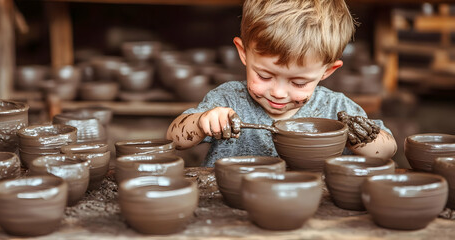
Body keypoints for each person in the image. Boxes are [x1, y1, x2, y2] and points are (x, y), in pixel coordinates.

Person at [166, 0, 397, 167]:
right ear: (243, 53)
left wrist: (361, 138)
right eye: (265, 76)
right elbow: (174, 138)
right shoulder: (227, 100)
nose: (278, 93)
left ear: (327, 71)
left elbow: (387, 150)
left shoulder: (336, 109)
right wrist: (201, 122)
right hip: (232, 203)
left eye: (298, 83)